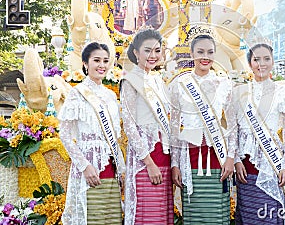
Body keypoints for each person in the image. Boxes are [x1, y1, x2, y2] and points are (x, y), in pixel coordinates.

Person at [170, 32, 236, 224]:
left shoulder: (224, 84)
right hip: (189, 157)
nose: (205, 57)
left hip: (218, 156)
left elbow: (232, 125)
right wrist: (175, 163)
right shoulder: (180, 84)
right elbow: (174, 128)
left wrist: (230, 157)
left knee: (217, 211)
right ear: (191, 54)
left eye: (209, 52)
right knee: (194, 211)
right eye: (200, 51)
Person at [59, 42, 125, 225]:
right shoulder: (77, 94)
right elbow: (64, 135)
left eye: (105, 61)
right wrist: (84, 166)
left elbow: (115, 136)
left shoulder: (111, 96)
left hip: (110, 168)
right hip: (90, 168)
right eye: (96, 60)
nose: (102, 65)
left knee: (111, 220)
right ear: (85, 63)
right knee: (93, 218)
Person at [234, 43, 285, 224]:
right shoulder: (240, 93)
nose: (261, 64)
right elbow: (234, 131)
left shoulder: (283, 91)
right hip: (246, 168)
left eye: (266, 59)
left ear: (273, 61)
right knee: (248, 216)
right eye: (256, 59)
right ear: (249, 64)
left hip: (273, 166)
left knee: (269, 214)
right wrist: (237, 160)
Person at [120, 28, 173, 224]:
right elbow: (130, 126)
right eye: (147, 50)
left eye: (157, 50)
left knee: (161, 211)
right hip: (146, 157)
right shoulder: (130, 81)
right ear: (136, 52)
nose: (153, 56)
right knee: (147, 212)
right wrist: (149, 163)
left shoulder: (158, 80)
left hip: (164, 153)